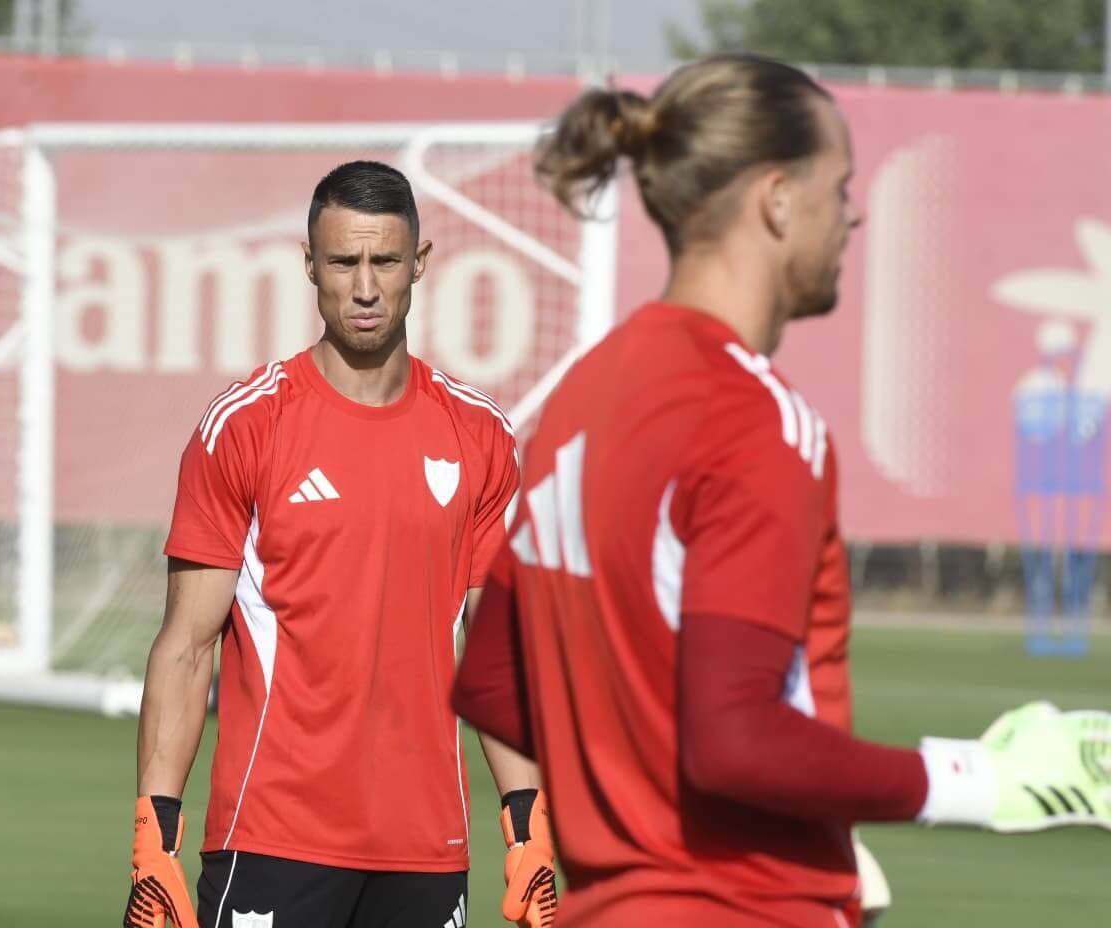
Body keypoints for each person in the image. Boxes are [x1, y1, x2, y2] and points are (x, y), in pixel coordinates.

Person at [452, 54, 1111, 928]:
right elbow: (734, 741)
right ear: (776, 200)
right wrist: (987, 780)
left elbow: (492, 683)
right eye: (838, 188)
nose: (854, 215)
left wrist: (759, 810)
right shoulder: (753, 416)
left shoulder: (578, 402)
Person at [123, 160, 558, 928]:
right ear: (309, 265)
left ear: (419, 265)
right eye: (344, 262)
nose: (364, 288)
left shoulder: (480, 436)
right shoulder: (246, 426)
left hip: (429, 848)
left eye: (385, 262)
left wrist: (529, 827)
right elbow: (187, 647)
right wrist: (153, 842)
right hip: (273, 837)